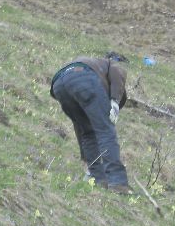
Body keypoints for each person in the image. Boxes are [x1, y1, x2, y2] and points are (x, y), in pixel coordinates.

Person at [51, 52, 130, 193]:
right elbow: (118, 71)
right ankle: (118, 183)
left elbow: (81, 130)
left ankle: (97, 179)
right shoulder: (110, 65)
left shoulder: (96, 66)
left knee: (87, 130)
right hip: (83, 76)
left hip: (59, 84)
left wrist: (85, 158)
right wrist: (115, 101)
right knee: (106, 130)